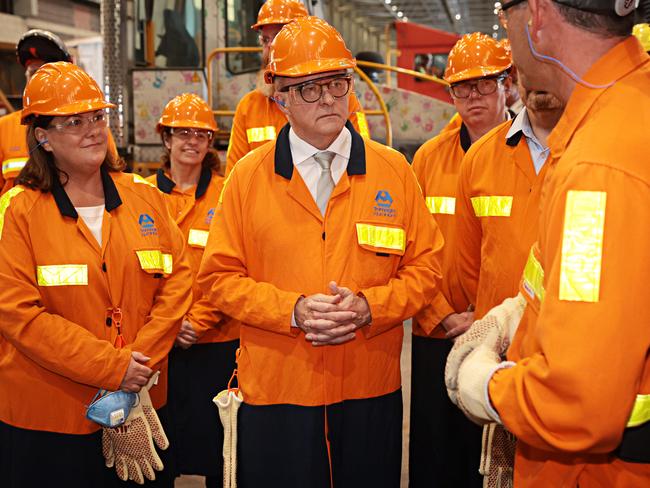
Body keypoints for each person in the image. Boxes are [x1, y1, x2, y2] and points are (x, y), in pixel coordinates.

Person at [197, 16, 442, 488]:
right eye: (309, 88)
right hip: (278, 388)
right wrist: (293, 310)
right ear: (280, 97)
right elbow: (217, 279)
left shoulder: (393, 171)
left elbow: (427, 267)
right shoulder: (249, 177)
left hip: (369, 386)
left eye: (337, 83)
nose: (329, 98)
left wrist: (371, 307)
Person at [448, 0, 650, 485]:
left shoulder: (597, 169)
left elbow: (576, 403)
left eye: (504, 15)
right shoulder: (627, 107)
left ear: (536, 16)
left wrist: (484, 385)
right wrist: (521, 310)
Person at [0, 62, 192, 487]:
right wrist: (111, 368)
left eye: (98, 118)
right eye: (74, 121)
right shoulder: (18, 211)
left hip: (141, 403)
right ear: (42, 136)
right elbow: (17, 313)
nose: (93, 130)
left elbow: (178, 283)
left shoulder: (144, 198)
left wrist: (134, 368)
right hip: (49, 417)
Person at [408, 32, 512, 488]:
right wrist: (441, 314)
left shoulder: (531, 156)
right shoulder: (429, 159)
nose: (472, 97)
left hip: (500, 339)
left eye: (483, 85)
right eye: (461, 88)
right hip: (437, 331)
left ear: (506, 84)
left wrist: (487, 320)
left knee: (490, 459)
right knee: (436, 455)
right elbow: (409, 250)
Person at [451, 82, 564, 487]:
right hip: (501, 355)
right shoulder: (481, 157)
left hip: (569, 359)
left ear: (504, 85)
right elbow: (467, 264)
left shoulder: (597, 148)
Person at [147, 93, 238, 488]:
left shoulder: (228, 194)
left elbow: (237, 265)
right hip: (158, 345)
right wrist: (169, 324)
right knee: (159, 450)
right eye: (182, 132)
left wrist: (196, 320)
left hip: (217, 340)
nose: (192, 141)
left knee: (222, 452)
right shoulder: (141, 195)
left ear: (211, 142)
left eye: (201, 134)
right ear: (166, 139)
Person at [225, 0, 370, 175]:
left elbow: (362, 159)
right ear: (281, 100)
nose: (271, 46)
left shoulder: (342, 100)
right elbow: (233, 179)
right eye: (265, 40)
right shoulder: (248, 108)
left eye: (280, 36)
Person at [0, 29, 118, 196]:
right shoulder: (3, 128)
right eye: (34, 73)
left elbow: (111, 176)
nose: (42, 82)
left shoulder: (95, 129)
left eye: (98, 117)